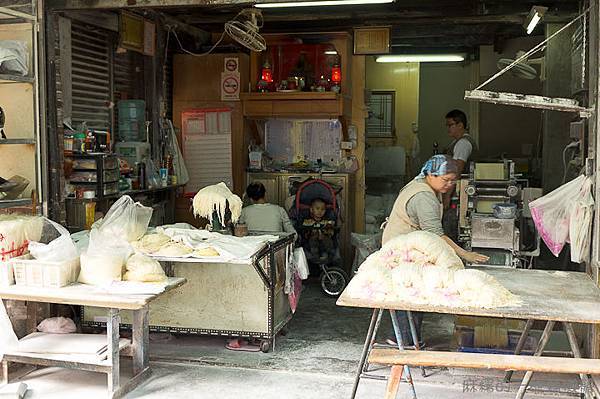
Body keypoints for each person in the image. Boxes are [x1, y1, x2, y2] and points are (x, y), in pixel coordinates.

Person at [382, 155, 489, 347]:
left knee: (414, 293)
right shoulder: (423, 196)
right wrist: (464, 254)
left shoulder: (425, 185)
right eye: (445, 180)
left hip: (410, 246)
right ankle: (402, 341)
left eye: (453, 181)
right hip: (401, 250)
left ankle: (408, 339)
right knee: (408, 293)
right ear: (430, 174)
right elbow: (436, 235)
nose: (449, 184)